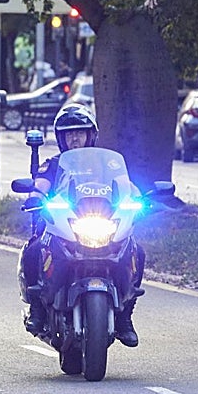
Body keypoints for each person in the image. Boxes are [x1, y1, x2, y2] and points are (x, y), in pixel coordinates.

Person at [19, 103, 142, 346]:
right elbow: (41, 183)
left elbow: (128, 186)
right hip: (63, 223)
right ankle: (37, 308)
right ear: (61, 138)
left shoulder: (108, 164)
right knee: (34, 250)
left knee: (137, 250)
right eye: (69, 133)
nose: (75, 138)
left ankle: (126, 315)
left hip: (103, 222)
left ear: (91, 134)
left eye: (80, 132)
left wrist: (140, 199)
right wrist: (35, 195)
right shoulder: (53, 164)